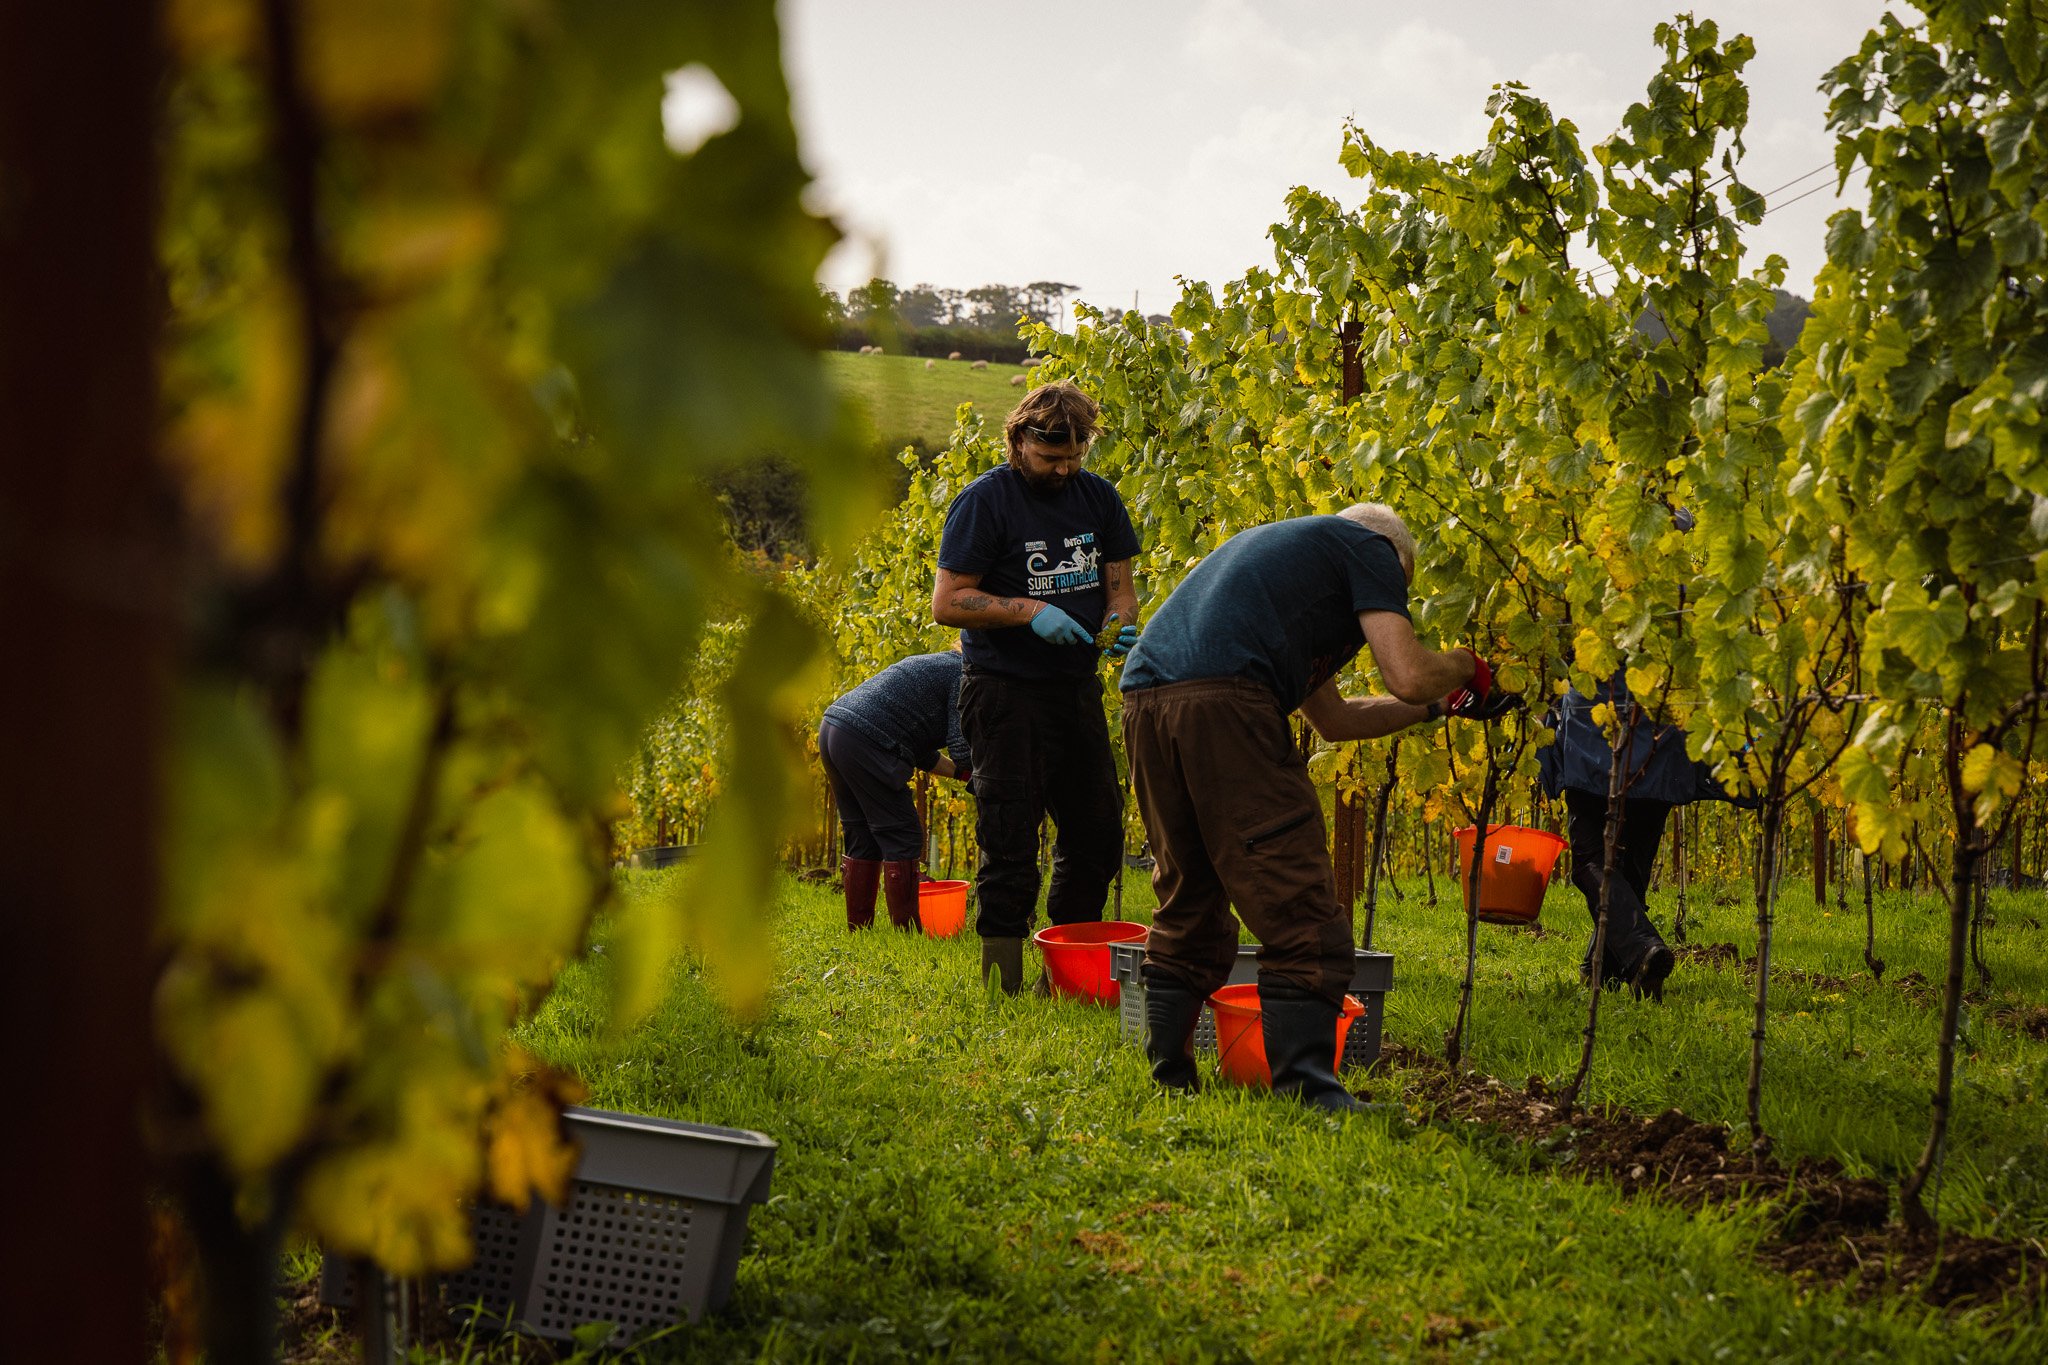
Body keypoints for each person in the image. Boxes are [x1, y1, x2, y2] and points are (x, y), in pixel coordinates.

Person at [1118, 504, 1517, 1111]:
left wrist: (1443, 707)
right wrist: (1466, 666)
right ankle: (1310, 1094)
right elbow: (1408, 673)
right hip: (1226, 702)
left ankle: (1170, 1077)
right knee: (1298, 899)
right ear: (1396, 558)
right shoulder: (1370, 546)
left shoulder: (1282, 574)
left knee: (1191, 891)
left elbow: (1334, 720)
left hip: (1147, 701)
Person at [931, 381, 1141, 994]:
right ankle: (1003, 981)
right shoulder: (985, 503)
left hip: (1073, 690)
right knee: (1011, 832)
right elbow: (949, 602)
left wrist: (1117, 624)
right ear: (1020, 441)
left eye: (1075, 457)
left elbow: (1121, 591)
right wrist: (1027, 612)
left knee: (1097, 826)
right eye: (1052, 458)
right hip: (1003, 691)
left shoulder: (1099, 499)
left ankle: (1068, 970)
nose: (1065, 469)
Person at [1537, 678, 1745, 1000]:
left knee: (1590, 861)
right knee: (1632, 864)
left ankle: (1642, 949)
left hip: (1593, 739)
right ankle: (1602, 969)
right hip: (1663, 743)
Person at [818, 648, 973, 930]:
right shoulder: (964, 673)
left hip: (834, 729)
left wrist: (963, 776)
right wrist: (989, 776)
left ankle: (859, 930)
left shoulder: (937, 666)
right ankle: (906, 931)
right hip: (866, 737)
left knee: (861, 834)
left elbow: (921, 751)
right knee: (902, 833)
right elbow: (961, 747)